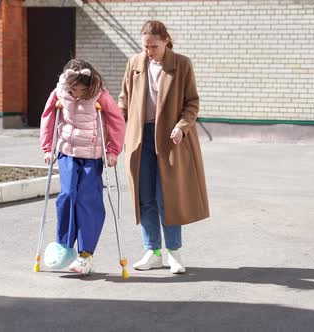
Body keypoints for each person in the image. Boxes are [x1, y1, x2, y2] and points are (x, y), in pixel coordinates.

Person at [118, 20, 209, 274]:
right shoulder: (135, 63)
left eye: (154, 46)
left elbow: (192, 103)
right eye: (145, 46)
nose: (149, 51)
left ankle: (174, 253)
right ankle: (153, 252)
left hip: (170, 137)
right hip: (140, 137)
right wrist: (115, 126)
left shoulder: (181, 64)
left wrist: (182, 126)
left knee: (167, 197)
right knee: (145, 197)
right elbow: (124, 99)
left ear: (166, 40)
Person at [40, 59, 125, 275]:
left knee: (88, 199)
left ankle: (85, 254)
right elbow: (49, 117)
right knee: (68, 194)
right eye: (73, 88)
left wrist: (113, 150)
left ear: (89, 84)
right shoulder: (59, 93)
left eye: (81, 89)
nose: (77, 93)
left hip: (92, 155)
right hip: (67, 151)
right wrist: (48, 148)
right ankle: (64, 245)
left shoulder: (100, 95)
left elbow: (116, 121)